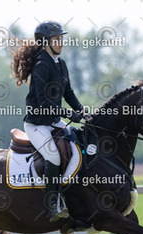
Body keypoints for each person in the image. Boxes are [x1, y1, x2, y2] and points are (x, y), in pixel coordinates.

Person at [11, 20, 87, 222]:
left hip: (53, 121)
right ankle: (53, 204)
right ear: (46, 42)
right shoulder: (41, 66)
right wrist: (69, 114)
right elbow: (43, 101)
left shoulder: (61, 64)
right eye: (56, 39)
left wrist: (81, 110)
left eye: (61, 38)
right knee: (53, 156)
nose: (61, 42)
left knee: (78, 146)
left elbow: (68, 92)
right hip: (37, 125)